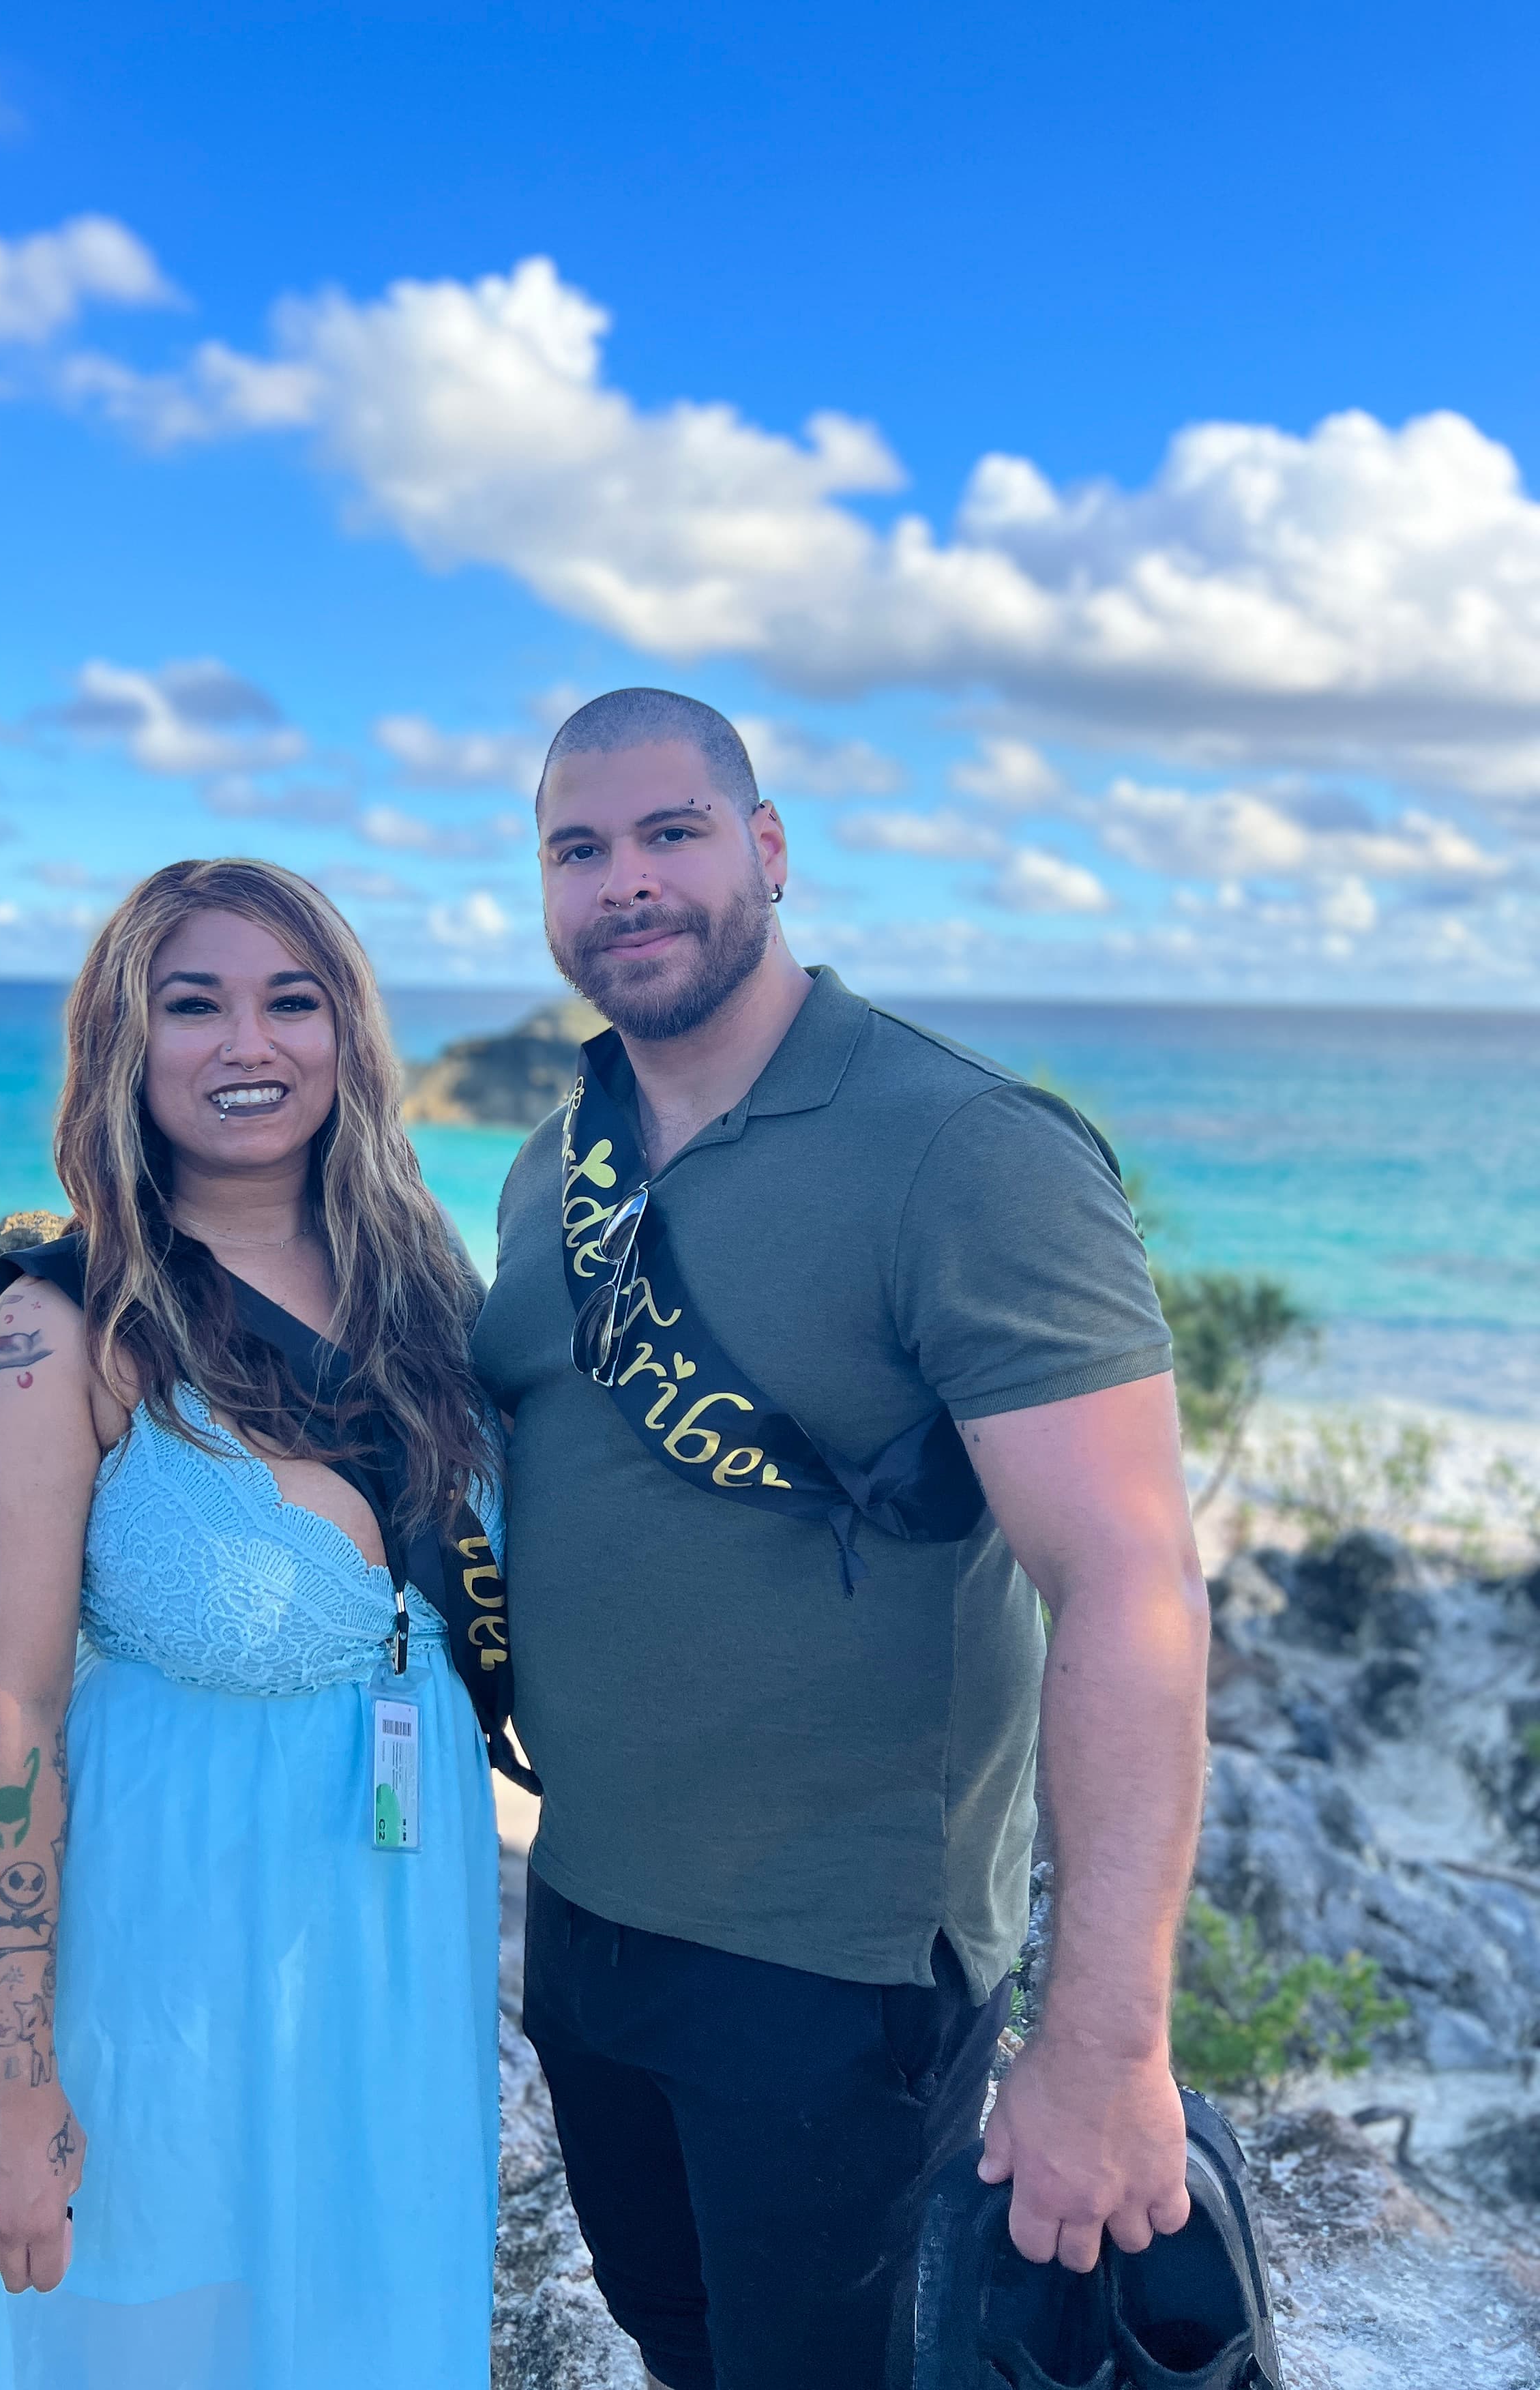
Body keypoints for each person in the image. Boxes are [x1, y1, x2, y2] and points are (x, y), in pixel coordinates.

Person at [471, 689, 1212, 2390]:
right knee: (677, 2340)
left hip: (836, 1970)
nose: (625, 880)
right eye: (578, 850)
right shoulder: (556, 1162)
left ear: (770, 849)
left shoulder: (966, 1150)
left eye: (672, 833)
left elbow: (1130, 1583)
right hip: (585, 1916)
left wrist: (1108, 2045)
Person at [0, 858, 508, 2390]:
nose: (249, 1044)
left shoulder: (428, 1292)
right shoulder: (59, 1331)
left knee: (356, 2321)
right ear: (126, 1042)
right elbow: (11, 1718)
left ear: (347, 1034)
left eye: (293, 1001)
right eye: (194, 1005)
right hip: (160, 1954)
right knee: (151, 2331)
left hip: (392, 1944)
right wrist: (12, 2084)